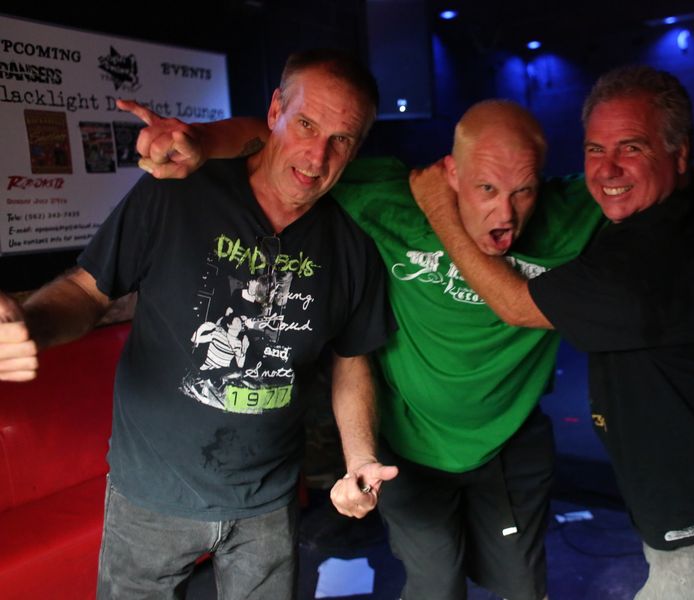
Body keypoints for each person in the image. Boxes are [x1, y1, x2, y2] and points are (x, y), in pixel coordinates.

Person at [122, 97, 603, 600]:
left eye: (523, 190)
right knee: (436, 586)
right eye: (486, 188)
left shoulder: (574, 212)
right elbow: (280, 144)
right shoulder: (392, 196)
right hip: (410, 446)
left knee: (522, 587)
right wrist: (201, 139)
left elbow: (636, 182)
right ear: (450, 172)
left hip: (507, 442)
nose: (504, 213)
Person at [0, 49, 397, 599]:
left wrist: (359, 459)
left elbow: (352, 359)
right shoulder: (179, 191)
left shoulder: (351, 247)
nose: (316, 154)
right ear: (276, 110)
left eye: (341, 139)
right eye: (306, 124)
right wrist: (31, 325)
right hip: (151, 496)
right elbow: (87, 291)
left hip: (267, 502)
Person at [409, 65, 694, 599]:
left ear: (676, 153)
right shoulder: (667, 211)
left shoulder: (648, 262)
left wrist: (438, 206)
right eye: (595, 149)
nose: (607, 169)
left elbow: (515, 305)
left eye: (631, 147)